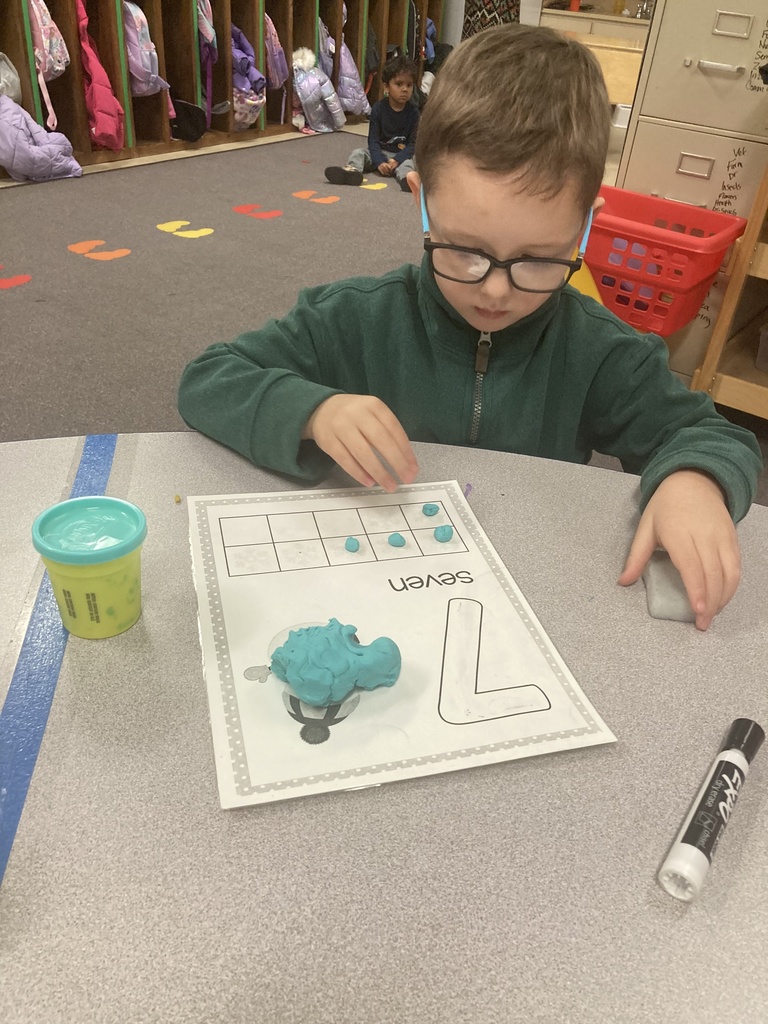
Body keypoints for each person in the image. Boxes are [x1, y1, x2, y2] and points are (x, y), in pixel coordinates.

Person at [178, 25, 762, 632]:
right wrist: (313, 411)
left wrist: (695, 480)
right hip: (375, 592)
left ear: (586, 229)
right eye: (463, 251)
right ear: (421, 202)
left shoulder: (602, 350)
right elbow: (209, 378)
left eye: (538, 258)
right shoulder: (356, 317)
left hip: (526, 599)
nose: (495, 289)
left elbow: (711, 435)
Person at [324, 55, 419, 192]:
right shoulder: (378, 109)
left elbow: (412, 144)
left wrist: (397, 160)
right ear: (386, 86)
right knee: (358, 153)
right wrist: (379, 161)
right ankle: (352, 171)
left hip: (400, 156)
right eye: (399, 84)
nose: (405, 89)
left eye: (409, 85)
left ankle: (408, 180)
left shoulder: (414, 113)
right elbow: (373, 140)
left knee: (409, 164)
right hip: (379, 153)